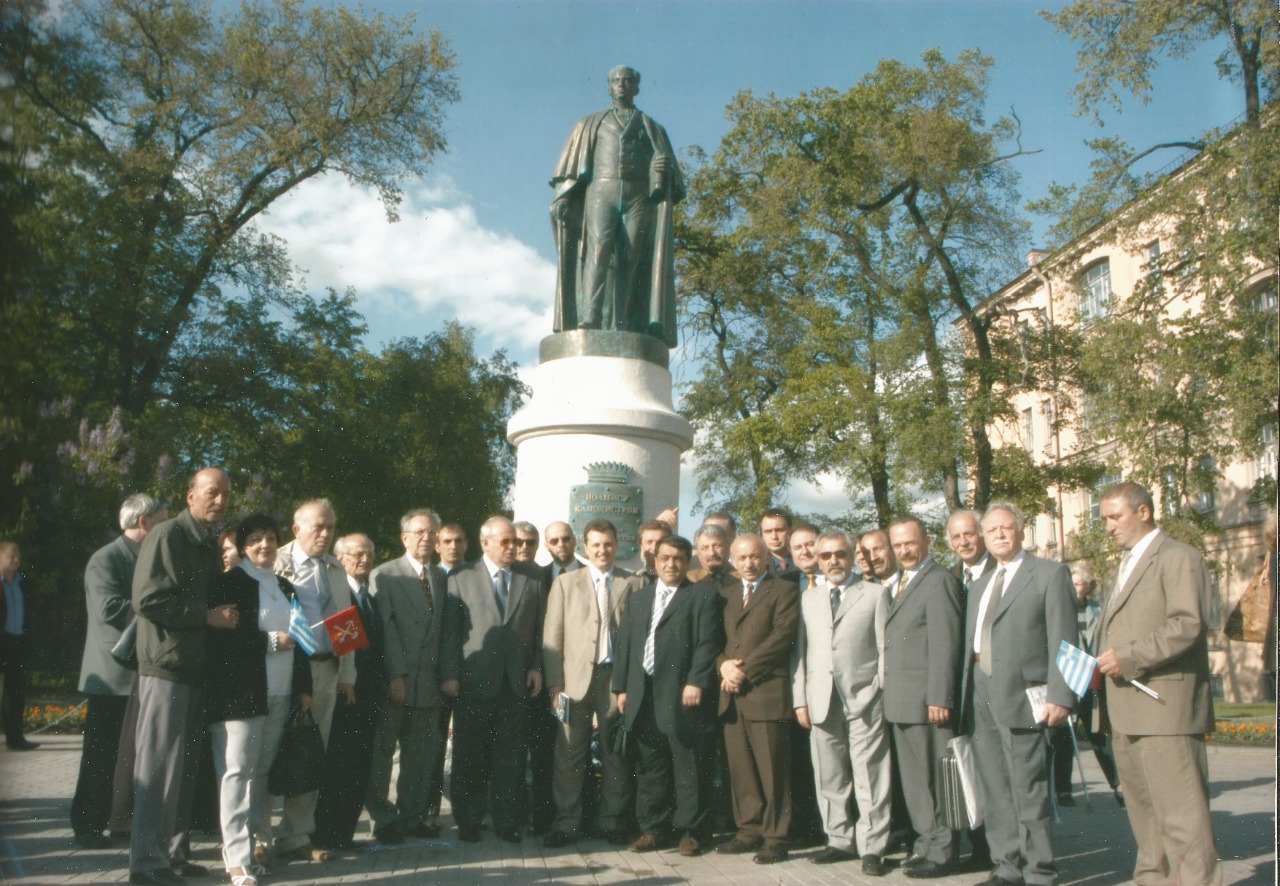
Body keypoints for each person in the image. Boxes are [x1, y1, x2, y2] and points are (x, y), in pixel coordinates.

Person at [1096, 482, 1222, 886]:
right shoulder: (1124, 564)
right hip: (1127, 707)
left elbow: (1188, 625)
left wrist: (1129, 656)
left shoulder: (1179, 557)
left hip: (1167, 706)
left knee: (1183, 818)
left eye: (1115, 517)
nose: (1109, 527)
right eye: (1105, 520)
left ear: (1144, 512)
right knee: (1146, 818)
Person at [958, 503, 1076, 886]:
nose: (999, 536)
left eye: (1006, 528)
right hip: (981, 694)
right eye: (991, 531)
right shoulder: (980, 585)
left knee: (1029, 788)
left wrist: (1062, 696)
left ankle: (1040, 872)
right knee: (994, 786)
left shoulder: (1048, 574)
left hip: (1025, 696)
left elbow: (1066, 641)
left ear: (1021, 531)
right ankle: (1007, 867)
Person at [129, 467, 234, 886]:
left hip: (193, 668)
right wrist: (205, 616)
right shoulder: (167, 536)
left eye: (226, 494)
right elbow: (147, 599)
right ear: (190, 495)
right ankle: (147, 863)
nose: (220, 501)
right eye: (212, 492)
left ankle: (173, 854)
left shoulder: (207, 543)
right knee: (157, 768)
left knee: (185, 768)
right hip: (167, 668)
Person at [206, 515, 313, 886]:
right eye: (255, 539)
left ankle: (249, 850)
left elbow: (300, 639)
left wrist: (304, 688)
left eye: (270, 538)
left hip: (281, 695)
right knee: (236, 774)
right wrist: (269, 643)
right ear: (242, 545)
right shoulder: (229, 584)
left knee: (261, 776)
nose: (264, 545)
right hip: (241, 697)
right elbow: (221, 644)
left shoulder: (286, 586)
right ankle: (236, 859)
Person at [550, 65, 684, 345]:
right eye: (616, 81)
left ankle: (621, 323)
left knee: (630, 258)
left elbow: (675, 181)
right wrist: (563, 196)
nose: (621, 85)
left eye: (627, 81)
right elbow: (570, 170)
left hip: (639, 196)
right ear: (609, 87)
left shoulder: (653, 128)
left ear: (636, 87)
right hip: (602, 190)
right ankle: (591, 318)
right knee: (597, 251)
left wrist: (664, 169)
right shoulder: (589, 124)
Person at [614, 535, 722, 856]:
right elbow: (625, 646)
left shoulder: (702, 598)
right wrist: (621, 688)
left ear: (688, 562)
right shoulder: (639, 598)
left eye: (678, 558)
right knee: (651, 766)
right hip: (642, 694)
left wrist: (696, 681)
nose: (671, 564)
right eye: (665, 558)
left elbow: (707, 644)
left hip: (680, 694)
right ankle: (653, 829)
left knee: (687, 763)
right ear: (655, 561)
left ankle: (691, 831)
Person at [791, 531, 891, 874]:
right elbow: (800, 654)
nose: (833, 561)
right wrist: (800, 700)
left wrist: (878, 691)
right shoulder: (809, 599)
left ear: (852, 557)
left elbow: (884, 649)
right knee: (829, 775)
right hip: (820, 699)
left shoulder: (876, 594)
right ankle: (839, 840)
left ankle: (873, 847)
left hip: (864, 699)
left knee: (870, 776)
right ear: (818, 560)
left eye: (840, 554)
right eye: (826, 556)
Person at [441, 517, 546, 843]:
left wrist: (537, 667)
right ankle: (469, 821)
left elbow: (542, 630)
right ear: (485, 543)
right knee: (469, 755)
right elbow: (450, 634)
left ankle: (507, 821)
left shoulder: (533, 577)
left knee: (511, 758)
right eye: (506, 542)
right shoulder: (461, 577)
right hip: (473, 682)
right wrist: (450, 675)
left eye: (515, 542)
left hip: (515, 684)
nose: (513, 548)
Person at [541, 518, 644, 848]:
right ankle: (567, 822)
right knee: (569, 752)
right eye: (596, 544)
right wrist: (555, 684)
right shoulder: (567, 584)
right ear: (586, 547)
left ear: (617, 545)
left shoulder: (634, 583)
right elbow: (552, 637)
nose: (602, 550)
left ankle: (610, 820)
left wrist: (630, 684)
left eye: (608, 544)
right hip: (573, 682)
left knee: (616, 752)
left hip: (615, 680)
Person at [72, 494, 167, 846]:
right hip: (112, 677)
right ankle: (87, 825)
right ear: (143, 522)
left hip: (141, 671)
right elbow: (109, 609)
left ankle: (121, 821)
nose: (165, 528)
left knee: (131, 755)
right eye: (161, 521)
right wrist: (160, 608)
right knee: (101, 754)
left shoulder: (148, 558)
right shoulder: (106, 559)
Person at [267, 499, 355, 864]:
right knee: (271, 752)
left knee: (309, 756)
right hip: (285, 669)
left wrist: (347, 676)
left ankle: (296, 836)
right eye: (318, 527)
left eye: (331, 527)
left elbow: (346, 623)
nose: (325, 534)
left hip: (327, 671)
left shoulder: (335, 567)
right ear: (296, 528)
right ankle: (257, 836)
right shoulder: (276, 562)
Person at [883, 516, 962, 879]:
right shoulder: (900, 583)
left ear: (928, 541)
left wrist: (941, 696)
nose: (904, 551)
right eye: (898, 545)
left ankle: (944, 850)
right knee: (915, 782)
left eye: (910, 543)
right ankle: (925, 842)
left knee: (935, 778)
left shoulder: (940, 581)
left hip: (927, 702)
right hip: (900, 701)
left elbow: (947, 643)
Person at [714, 534, 799, 865]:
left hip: (764, 690)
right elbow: (715, 640)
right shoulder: (726, 595)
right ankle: (748, 830)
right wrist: (723, 665)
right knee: (742, 769)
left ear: (766, 558)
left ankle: (776, 836)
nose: (748, 562)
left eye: (754, 556)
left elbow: (782, 638)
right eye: (742, 557)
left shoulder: (784, 590)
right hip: (731, 695)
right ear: (733, 560)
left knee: (773, 769)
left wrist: (743, 671)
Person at [365, 510, 449, 843]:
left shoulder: (440, 577)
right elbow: (384, 631)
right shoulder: (384, 575)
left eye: (432, 532)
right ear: (404, 538)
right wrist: (395, 675)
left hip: (428, 682)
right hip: (396, 680)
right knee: (383, 754)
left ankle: (412, 816)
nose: (426, 538)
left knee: (420, 755)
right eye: (419, 532)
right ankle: (383, 819)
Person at [312, 533, 387, 851]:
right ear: (340, 559)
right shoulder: (342, 595)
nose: (365, 559)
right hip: (348, 693)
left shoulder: (369, 595)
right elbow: (347, 645)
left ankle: (344, 833)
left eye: (369, 553)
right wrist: (350, 682)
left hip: (369, 696)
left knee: (359, 767)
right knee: (340, 767)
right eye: (356, 554)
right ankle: (329, 833)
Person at [527, 520, 581, 836]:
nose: (561, 544)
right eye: (554, 540)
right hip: (542, 679)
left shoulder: (589, 573)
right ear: (547, 545)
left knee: (576, 749)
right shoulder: (538, 577)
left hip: (579, 679)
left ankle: (578, 816)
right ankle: (543, 815)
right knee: (544, 749)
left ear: (575, 541)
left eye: (566, 538)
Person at [1062, 563, 1123, 807]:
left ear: (1088, 587)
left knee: (1099, 734)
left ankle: (1118, 783)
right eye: (1072, 584)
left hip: (1092, 679)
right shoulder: (1059, 609)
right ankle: (1062, 790)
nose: (1075, 589)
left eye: (1079, 584)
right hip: (1067, 678)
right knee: (1063, 737)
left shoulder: (1098, 610)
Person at [0, 541, 35, 751]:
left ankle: (15, 738)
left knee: (15, 693)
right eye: (11, 556)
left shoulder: (23, 583)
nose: (15, 560)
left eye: (17, 557)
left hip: (17, 643)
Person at [687, 523, 737, 589]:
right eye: (705, 548)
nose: (712, 553)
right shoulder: (688, 580)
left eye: (717, 546)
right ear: (698, 552)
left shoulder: (744, 579)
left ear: (728, 547)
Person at [759, 508, 793, 573]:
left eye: (779, 530)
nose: (774, 537)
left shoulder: (803, 562)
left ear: (790, 531)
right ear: (761, 535)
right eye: (768, 531)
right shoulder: (758, 568)